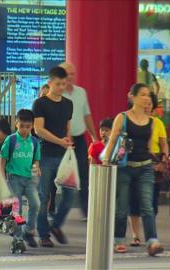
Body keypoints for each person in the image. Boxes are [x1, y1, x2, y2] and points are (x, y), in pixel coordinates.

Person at [102, 83, 163, 256]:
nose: (146, 98)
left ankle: (152, 241)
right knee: (122, 206)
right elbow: (113, 139)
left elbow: (150, 146)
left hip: (145, 167)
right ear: (132, 97)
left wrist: (159, 162)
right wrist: (107, 159)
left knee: (147, 206)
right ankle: (119, 239)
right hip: (125, 167)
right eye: (143, 94)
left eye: (148, 95)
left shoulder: (151, 121)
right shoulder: (122, 118)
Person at [32, 66, 73, 247]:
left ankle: (55, 225)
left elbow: (67, 128)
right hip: (46, 155)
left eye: (64, 84)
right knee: (44, 196)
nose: (61, 87)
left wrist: (68, 142)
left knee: (70, 194)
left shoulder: (68, 104)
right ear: (50, 83)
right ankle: (43, 234)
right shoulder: (40, 103)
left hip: (64, 155)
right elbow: (38, 130)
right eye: (58, 84)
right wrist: (59, 141)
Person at [129, 91, 169, 246]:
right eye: (144, 102)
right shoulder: (130, 119)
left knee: (151, 201)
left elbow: (164, 144)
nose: (146, 106)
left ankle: (150, 235)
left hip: (154, 164)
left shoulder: (157, 123)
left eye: (149, 104)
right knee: (134, 201)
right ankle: (135, 235)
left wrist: (163, 161)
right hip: (135, 161)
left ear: (153, 107)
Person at [60, 62, 98, 220]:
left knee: (84, 173)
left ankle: (86, 210)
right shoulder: (56, 93)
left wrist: (94, 136)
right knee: (61, 174)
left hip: (79, 138)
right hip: (61, 140)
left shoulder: (81, 92)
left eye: (72, 74)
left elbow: (87, 115)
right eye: (66, 73)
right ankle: (55, 209)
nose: (70, 77)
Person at [0, 109, 41, 249]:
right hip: (14, 178)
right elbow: (3, 158)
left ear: (32, 126)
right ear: (16, 123)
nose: (24, 129)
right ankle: (17, 238)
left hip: (29, 179)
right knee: (17, 210)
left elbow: (36, 159)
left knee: (35, 204)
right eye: (21, 126)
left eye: (28, 126)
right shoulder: (11, 139)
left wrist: (36, 167)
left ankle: (28, 230)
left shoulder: (34, 142)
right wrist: (2, 176)